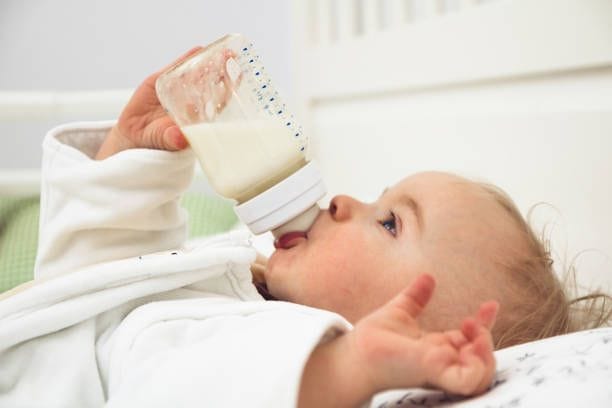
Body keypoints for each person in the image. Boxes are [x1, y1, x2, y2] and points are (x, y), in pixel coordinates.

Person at [0, 48, 608, 408]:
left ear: (404, 335)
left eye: (389, 221)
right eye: (379, 201)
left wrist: (351, 368)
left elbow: (214, 391)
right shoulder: (242, 279)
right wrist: (128, 161)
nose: (343, 201)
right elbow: (94, 290)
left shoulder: (285, 347)